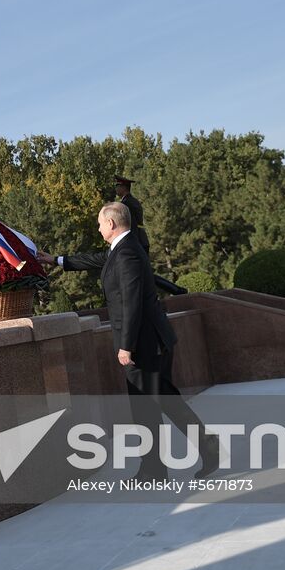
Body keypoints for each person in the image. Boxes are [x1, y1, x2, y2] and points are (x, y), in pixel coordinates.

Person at [38, 203, 216, 478]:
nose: (98, 228)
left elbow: (133, 303)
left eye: (99, 223)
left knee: (156, 404)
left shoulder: (127, 253)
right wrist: (55, 260)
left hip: (143, 344)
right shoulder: (121, 248)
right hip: (149, 339)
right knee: (154, 405)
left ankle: (194, 453)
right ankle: (158, 467)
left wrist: (126, 345)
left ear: (111, 224)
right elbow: (96, 259)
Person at [113, 175, 150, 252]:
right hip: (141, 239)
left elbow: (129, 225)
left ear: (124, 187)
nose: (116, 188)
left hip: (133, 242)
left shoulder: (126, 204)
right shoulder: (133, 201)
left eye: (118, 185)